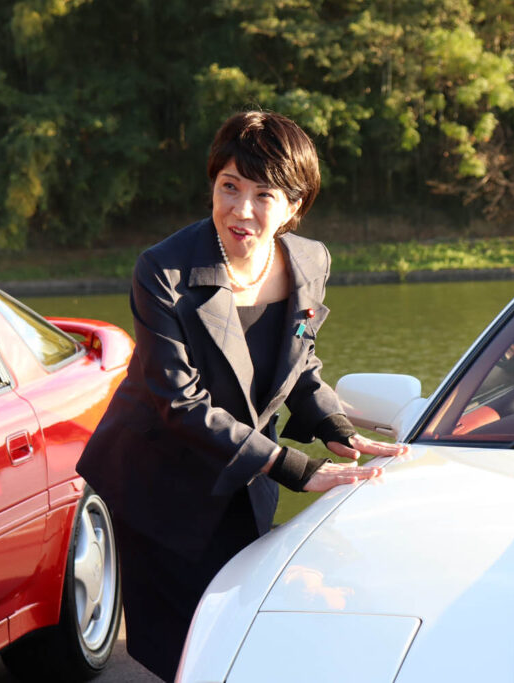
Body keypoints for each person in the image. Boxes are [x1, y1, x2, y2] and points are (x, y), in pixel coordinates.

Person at [76, 110, 408, 682]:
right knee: (192, 656)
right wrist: (297, 468)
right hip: (160, 486)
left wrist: (336, 425)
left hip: (242, 481)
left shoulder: (310, 262)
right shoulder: (163, 272)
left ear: (295, 205)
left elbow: (299, 368)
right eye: (229, 186)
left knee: (249, 641)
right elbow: (178, 401)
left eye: (264, 194)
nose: (241, 210)